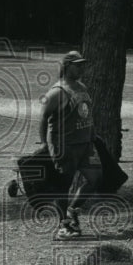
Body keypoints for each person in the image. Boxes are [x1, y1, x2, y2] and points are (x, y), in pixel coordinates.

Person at [39, 50, 102, 240]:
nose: (82, 68)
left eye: (83, 64)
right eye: (78, 65)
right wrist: (45, 144)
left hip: (84, 143)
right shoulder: (57, 92)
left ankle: (72, 210)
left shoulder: (81, 87)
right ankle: (63, 227)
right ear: (67, 67)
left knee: (95, 178)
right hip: (65, 145)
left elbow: (86, 112)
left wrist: (92, 133)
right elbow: (43, 118)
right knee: (63, 186)